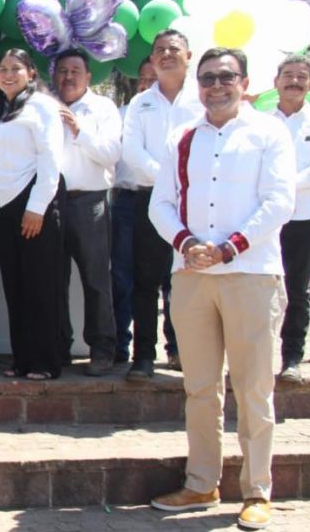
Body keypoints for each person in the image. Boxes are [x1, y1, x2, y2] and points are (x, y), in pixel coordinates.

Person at [149, 47, 295, 531]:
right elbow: (161, 204)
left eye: (225, 77)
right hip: (191, 277)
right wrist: (188, 243)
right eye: (208, 78)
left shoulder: (268, 132)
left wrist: (229, 248)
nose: (216, 86)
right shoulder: (183, 137)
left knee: (254, 389)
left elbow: (279, 202)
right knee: (200, 388)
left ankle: (257, 490)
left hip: (251, 274)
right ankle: (202, 482)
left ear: (245, 81)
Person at [120, 29, 203, 380]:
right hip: (149, 201)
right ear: (152, 59)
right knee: (146, 280)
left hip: (196, 203)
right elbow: (132, 150)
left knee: (186, 279)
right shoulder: (141, 103)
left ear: (189, 55)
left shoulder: (203, 99)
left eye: (174, 49)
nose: (166, 54)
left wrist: (183, 185)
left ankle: (182, 349)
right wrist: (169, 180)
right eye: (159, 50)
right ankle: (142, 356)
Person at [0, 48, 68, 380]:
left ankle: (45, 362)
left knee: (41, 287)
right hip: (2, 207)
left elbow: (50, 160)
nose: (8, 74)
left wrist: (36, 208)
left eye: (16, 68)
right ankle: (22, 360)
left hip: (34, 206)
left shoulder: (42, 106)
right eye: (3, 68)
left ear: (31, 73)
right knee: (15, 286)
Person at [52, 48, 121, 376]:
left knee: (95, 278)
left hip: (89, 201)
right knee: (55, 280)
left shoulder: (103, 108)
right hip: (51, 203)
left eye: (75, 71)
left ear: (88, 76)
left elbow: (111, 154)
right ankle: (59, 345)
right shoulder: (46, 106)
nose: (67, 77)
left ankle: (102, 348)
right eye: (62, 71)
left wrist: (79, 130)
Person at [271, 55, 310, 383]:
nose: (294, 81)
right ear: (275, 82)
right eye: (287, 75)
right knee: (257, 287)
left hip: (304, 216)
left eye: (301, 77)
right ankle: (255, 355)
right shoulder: (260, 119)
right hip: (263, 218)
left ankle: (292, 357)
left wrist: (285, 185)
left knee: (297, 289)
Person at [112, 58, 155, 364]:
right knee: (123, 277)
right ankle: (120, 345)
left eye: (155, 78)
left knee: (164, 279)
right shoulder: (122, 115)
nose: (148, 83)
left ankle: (174, 348)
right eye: (143, 77)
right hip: (127, 199)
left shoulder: (185, 115)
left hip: (168, 200)